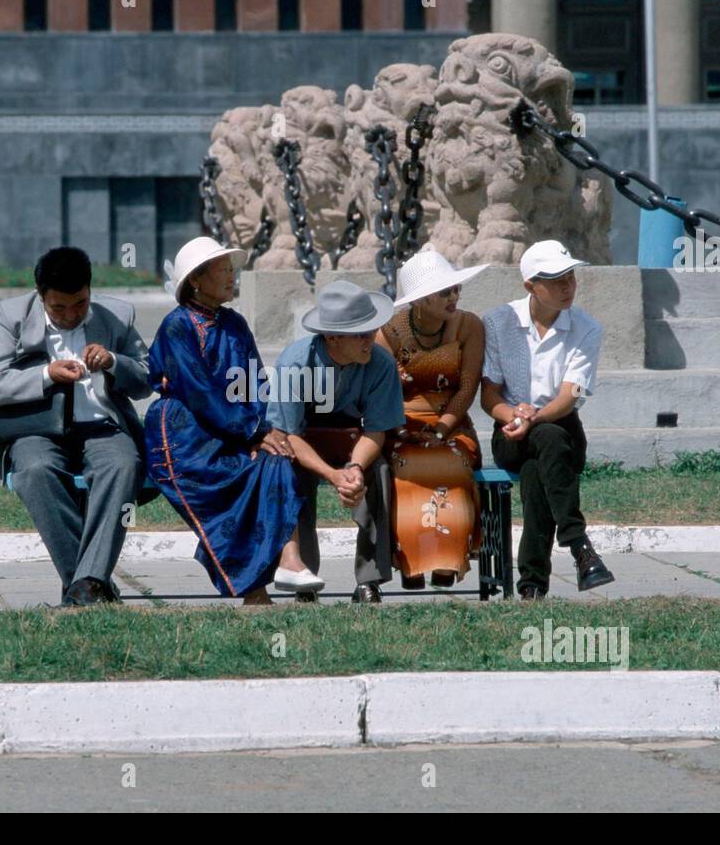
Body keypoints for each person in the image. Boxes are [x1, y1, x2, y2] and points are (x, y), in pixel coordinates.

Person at [0, 247, 152, 607]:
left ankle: (83, 584)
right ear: (41, 296)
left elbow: (147, 379)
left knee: (123, 465)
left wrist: (114, 362)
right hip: (36, 430)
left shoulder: (116, 315)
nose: (71, 315)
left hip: (101, 425)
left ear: (89, 290)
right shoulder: (12, 316)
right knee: (36, 471)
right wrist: (45, 374)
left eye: (80, 304)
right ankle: (91, 583)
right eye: (59, 308)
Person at [145, 237, 312, 606]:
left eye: (231, 270)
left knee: (276, 462)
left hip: (235, 431)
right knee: (231, 496)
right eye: (223, 271)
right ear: (197, 280)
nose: (231, 278)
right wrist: (251, 431)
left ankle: (289, 561)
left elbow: (255, 381)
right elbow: (198, 391)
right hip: (184, 438)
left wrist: (266, 429)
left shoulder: (234, 323)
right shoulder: (178, 327)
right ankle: (255, 593)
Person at [480, 240, 615, 598]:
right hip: (510, 432)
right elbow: (489, 394)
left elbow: (569, 396)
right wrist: (514, 416)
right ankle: (579, 545)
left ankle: (532, 587)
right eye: (556, 280)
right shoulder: (497, 322)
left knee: (539, 466)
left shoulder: (586, 328)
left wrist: (534, 417)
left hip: (561, 429)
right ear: (530, 286)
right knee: (546, 446)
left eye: (570, 276)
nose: (567, 286)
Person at [267, 280, 405, 604]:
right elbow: (288, 436)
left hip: (353, 440)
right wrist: (332, 475)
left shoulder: (381, 363)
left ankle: (369, 580)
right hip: (300, 442)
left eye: (372, 329)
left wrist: (355, 468)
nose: (370, 338)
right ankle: (304, 576)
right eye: (360, 333)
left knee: (379, 473)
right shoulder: (295, 363)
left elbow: (376, 430)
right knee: (288, 475)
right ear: (331, 337)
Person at [376, 246, 487, 590]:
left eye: (456, 290)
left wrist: (441, 430)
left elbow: (468, 388)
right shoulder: (389, 333)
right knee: (405, 468)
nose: (453, 296)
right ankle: (412, 561)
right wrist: (403, 430)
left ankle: (447, 559)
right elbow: (384, 393)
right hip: (401, 426)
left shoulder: (469, 325)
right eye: (444, 292)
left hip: (451, 423)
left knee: (452, 464)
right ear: (420, 299)